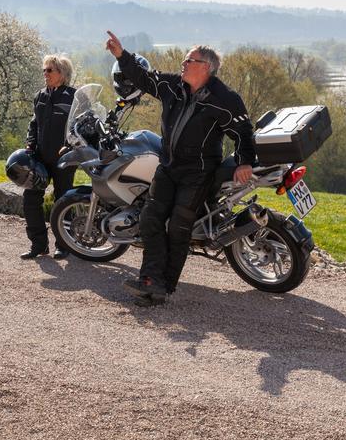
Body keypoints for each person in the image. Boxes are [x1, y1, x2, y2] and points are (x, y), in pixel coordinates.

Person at [104, 31, 256, 305]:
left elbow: (243, 131)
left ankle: (165, 287)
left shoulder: (225, 98)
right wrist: (121, 56)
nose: (183, 64)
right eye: (185, 59)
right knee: (150, 219)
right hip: (169, 166)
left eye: (189, 60)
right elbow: (144, 78)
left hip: (197, 174)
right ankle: (150, 281)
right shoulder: (174, 85)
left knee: (178, 228)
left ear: (205, 67)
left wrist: (245, 161)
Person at [20, 55, 77, 259]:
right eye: (44, 70)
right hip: (40, 158)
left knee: (63, 202)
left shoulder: (74, 97)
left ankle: (64, 245)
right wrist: (30, 142)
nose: (45, 73)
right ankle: (39, 245)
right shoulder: (40, 96)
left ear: (62, 74)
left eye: (49, 70)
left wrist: (70, 147)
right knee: (30, 199)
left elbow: (81, 127)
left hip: (64, 159)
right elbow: (34, 123)